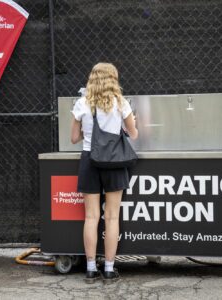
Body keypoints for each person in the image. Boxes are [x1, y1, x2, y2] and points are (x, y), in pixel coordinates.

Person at [70, 63, 138, 284]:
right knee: (112, 217)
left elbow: (73, 138)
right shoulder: (121, 103)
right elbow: (134, 134)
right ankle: (109, 269)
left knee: (91, 217)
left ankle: (90, 268)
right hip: (115, 162)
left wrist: (86, 133)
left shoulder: (81, 103)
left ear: (92, 78)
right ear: (113, 79)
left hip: (90, 160)